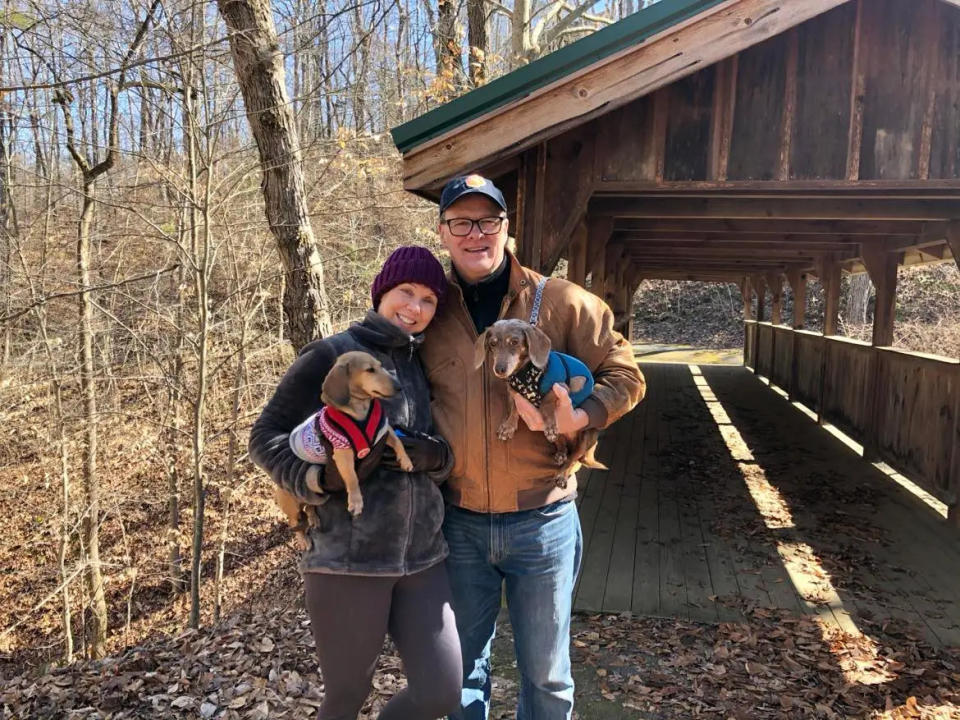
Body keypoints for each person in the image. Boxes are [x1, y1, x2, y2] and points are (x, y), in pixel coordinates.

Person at [420, 175, 646, 720]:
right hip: (457, 520)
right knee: (459, 674)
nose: (475, 234)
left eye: (488, 221)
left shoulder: (563, 302)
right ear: (444, 232)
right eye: (461, 223)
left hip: (542, 522)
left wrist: (583, 414)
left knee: (546, 678)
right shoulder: (426, 312)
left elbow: (627, 374)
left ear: (506, 228)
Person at [249, 246, 462, 720]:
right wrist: (314, 478)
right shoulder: (332, 354)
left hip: (423, 559)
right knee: (345, 698)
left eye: (429, 300)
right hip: (347, 561)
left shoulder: (427, 363)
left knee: (442, 692)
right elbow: (264, 437)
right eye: (406, 292)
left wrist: (436, 457)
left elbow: (447, 449)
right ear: (382, 291)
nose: (415, 308)